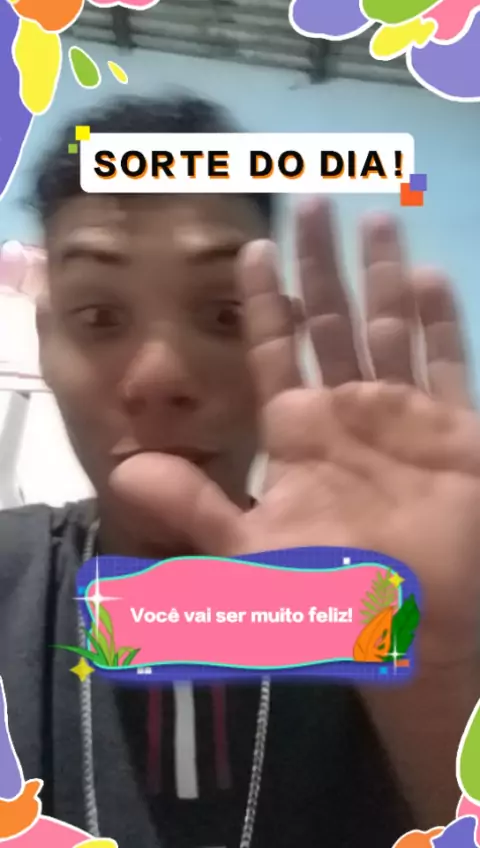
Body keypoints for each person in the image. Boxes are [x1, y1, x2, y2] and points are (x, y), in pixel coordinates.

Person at [0, 92, 479, 848]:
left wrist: (444, 675)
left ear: (278, 336)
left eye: (225, 314)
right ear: (46, 340)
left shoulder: (389, 596)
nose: (160, 376)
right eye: (100, 317)